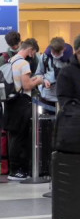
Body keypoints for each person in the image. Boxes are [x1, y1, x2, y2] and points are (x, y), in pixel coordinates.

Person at [4, 39, 43, 180]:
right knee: (21, 136)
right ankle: (18, 170)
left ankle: (13, 169)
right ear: (30, 49)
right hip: (21, 103)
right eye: (33, 53)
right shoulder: (24, 64)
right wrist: (39, 80)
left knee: (14, 136)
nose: (33, 56)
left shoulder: (11, 60)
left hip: (10, 102)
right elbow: (26, 86)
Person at [35, 37, 71, 109]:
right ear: (51, 49)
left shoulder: (70, 60)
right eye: (54, 52)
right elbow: (38, 74)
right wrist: (44, 80)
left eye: (58, 53)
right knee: (45, 119)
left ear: (64, 49)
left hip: (65, 98)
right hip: (47, 97)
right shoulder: (44, 58)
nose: (56, 55)